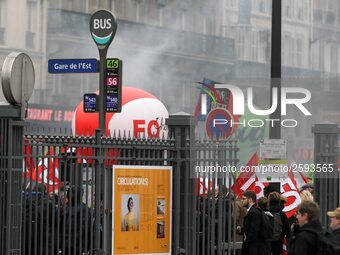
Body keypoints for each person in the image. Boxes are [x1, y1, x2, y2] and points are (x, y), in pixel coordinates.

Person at [239, 190, 270, 255]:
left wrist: (246, 243)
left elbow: (254, 231)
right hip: (255, 248)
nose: (242, 201)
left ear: (250, 199)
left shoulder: (254, 212)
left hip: (255, 249)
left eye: (243, 199)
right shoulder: (254, 211)